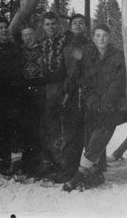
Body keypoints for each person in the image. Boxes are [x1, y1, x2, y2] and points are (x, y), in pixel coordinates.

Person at [63, 24, 127, 192]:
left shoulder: (118, 56)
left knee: (102, 130)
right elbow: (85, 82)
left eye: (104, 35)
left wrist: (104, 102)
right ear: (93, 37)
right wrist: (92, 101)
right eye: (98, 36)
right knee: (90, 133)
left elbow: (118, 82)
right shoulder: (88, 57)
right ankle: (94, 173)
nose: (101, 39)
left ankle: (80, 173)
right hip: (94, 104)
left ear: (109, 37)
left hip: (113, 105)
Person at [47, 14, 94, 183]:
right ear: (70, 26)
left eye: (81, 23)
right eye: (75, 23)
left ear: (86, 26)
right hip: (71, 95)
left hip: (88, 94)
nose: (78, 26)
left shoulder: (91, 46)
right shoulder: (66, 48)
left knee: (90, 132)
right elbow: (63, 71)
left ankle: (93, 172)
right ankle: (68, 170)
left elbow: (92, 70)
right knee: (70, 132)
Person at [33, 11, 72, 179]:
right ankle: (50, 162)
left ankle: (64, 164)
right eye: (47, 24)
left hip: (63, 85)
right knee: (49, 125)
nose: (50, 27)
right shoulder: (41, 44)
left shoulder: (66, 40)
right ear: (43, 26)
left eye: (53, 24)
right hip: (47, 87)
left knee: (63, 125)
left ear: (58, 24)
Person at [0, 16, 25, 178]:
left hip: (15, 94)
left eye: (5, 27)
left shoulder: (16, 48)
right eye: (0, 28)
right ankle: (3, 160)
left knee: (15, 127)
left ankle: (17, 162)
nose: (4, 30)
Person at [19, 27, 46, 176]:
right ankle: (27, 165)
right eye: (25, 35)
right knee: (28, 129)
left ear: (35, 35)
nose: (28, 37)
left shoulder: (42, 48)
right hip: (25, 92)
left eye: (30, 34)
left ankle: (40, 163)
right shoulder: (20, 51)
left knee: (40, 127)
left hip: (40, 89)